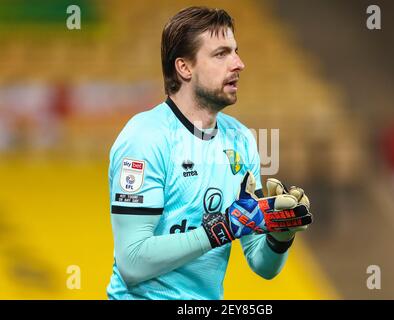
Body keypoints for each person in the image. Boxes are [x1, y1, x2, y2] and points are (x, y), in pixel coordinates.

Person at [106, 6, 313, 300]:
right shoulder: (145, 138)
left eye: (236, 52)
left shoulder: (241, 139)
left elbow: (261, 264)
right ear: (184, 68)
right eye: (221, 54)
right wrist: (222, 228)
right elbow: (132, 261)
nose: (239, 63)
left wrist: (279, 236)